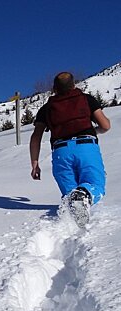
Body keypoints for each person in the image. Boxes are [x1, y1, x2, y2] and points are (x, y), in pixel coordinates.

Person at [29, 72, 111, 212]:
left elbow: (36, 137)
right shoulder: (86, 100)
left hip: (61, 152)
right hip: (86, 148)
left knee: (70, 198)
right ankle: (84, 196)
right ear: (74, 85)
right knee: (94, 186)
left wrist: (35, 164)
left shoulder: (47, 108)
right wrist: (91, 131)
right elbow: (105, 125)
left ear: (55, 89)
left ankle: (74, 223)